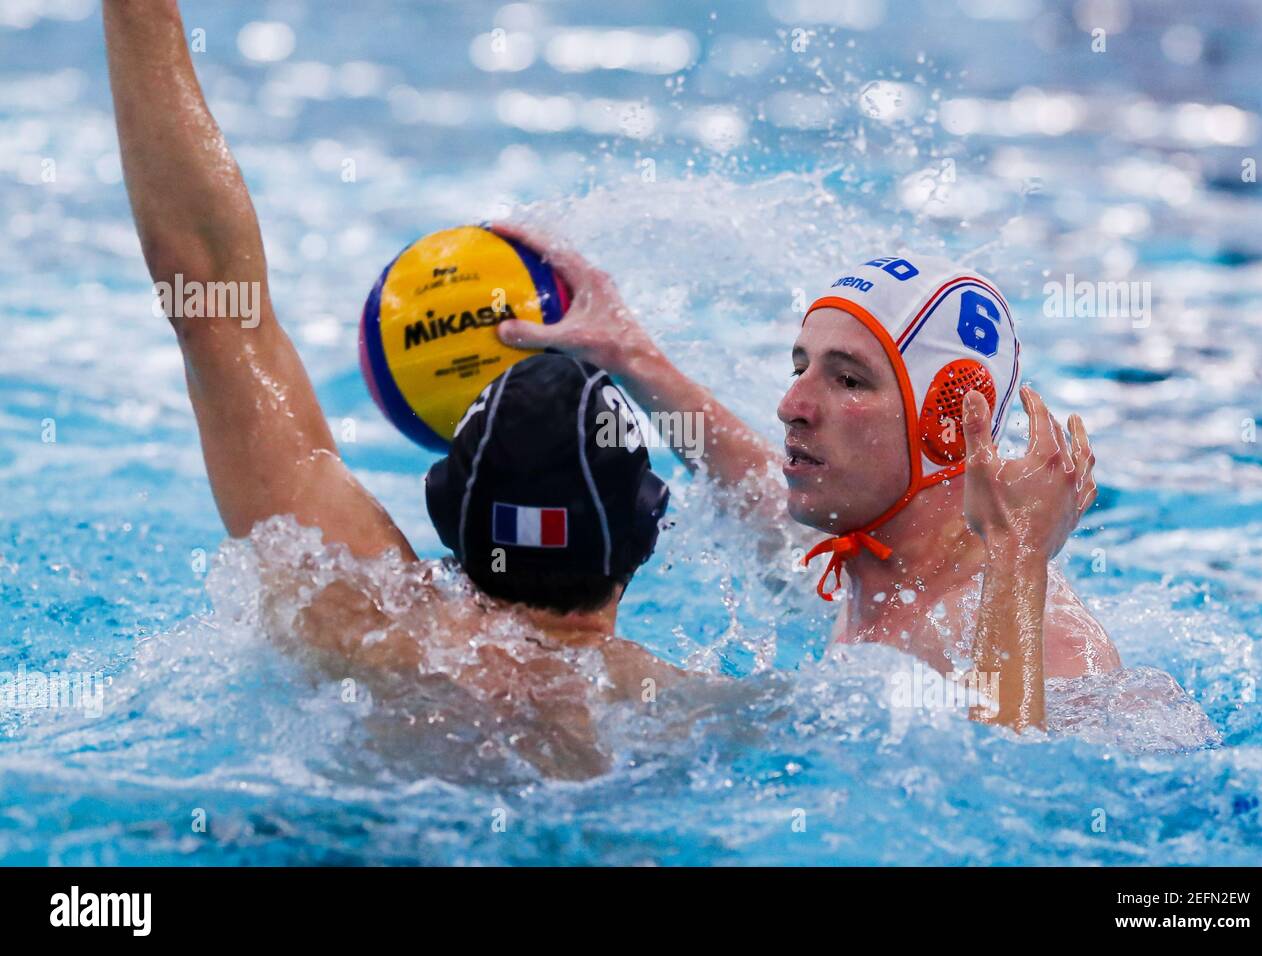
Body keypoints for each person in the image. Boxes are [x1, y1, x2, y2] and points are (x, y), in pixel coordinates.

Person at [103, 1, 684, 779]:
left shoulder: (358, 621)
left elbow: (210, 305)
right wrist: (643, 361)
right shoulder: (686, 713)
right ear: (648, 527)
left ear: (446, 506)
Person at [495, 231, 1122, 732]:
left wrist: (1018, 557)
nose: (791, 404)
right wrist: (628, 356)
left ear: (949, 425)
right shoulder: (865, 556)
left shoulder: (1048, 646)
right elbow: (738, 476)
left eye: (847, 379)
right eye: (800, 366)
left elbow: (1012, 810)